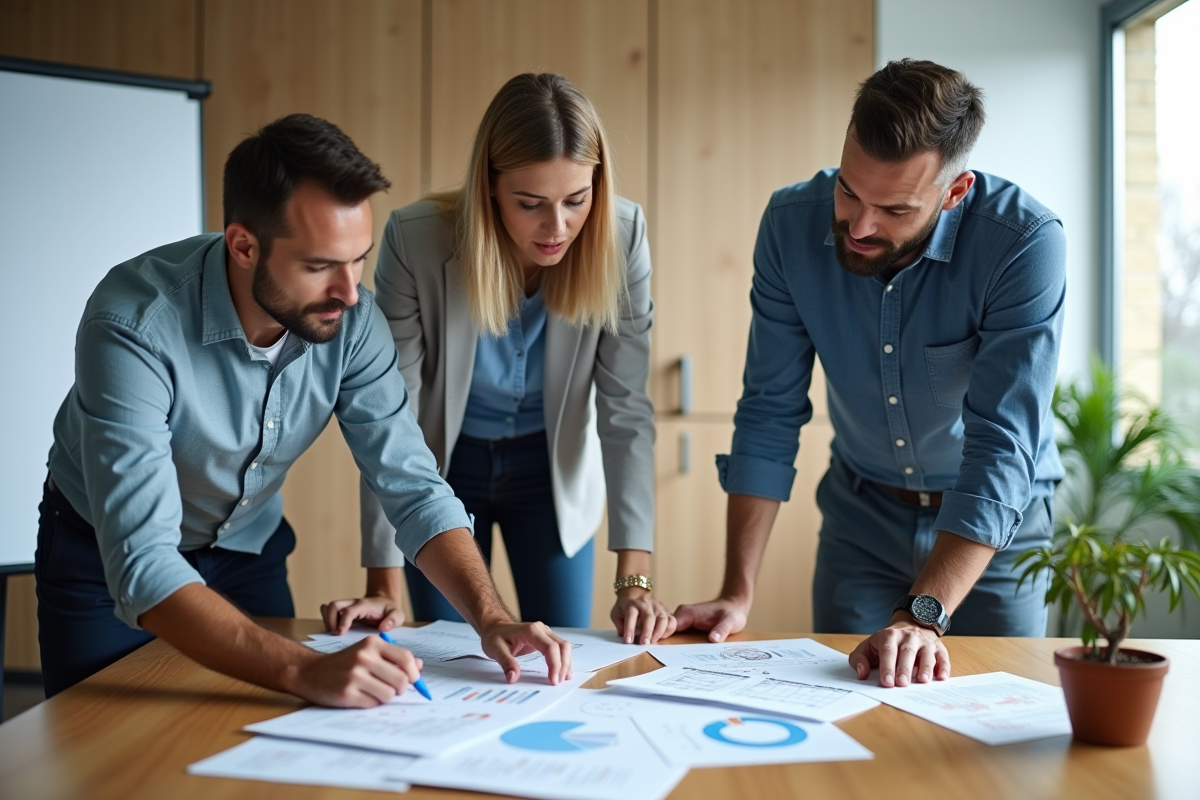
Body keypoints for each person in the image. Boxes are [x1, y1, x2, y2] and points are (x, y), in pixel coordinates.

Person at [35, 113, 572, 705]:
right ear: (244, 246)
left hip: (246, 551)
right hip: (102, 558)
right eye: (319, 267)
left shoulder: (353, 319)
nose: (350, 291)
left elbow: (414, 488)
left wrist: (492, 619)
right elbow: (143, 560)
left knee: (266, 737)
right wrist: (304, 670)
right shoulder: (132, 323)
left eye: (358, 259)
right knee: (96, 741)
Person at [674, 60, 1066, 687]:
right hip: (860, 519)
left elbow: (1002, 442)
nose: (859, 226)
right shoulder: (789, 226)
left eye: (894, 208)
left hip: (995, 533)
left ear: (955, 191)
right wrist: (736, 592)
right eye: (850, 191)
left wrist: (921, 614)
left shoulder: (1023, 243)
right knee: (844, 709)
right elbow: (770, 410)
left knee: (992, 721)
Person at [326, 73, 673, 645]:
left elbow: (626, 408)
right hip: (443, 468)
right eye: (530, 203)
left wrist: (634, 581)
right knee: (451, 647)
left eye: (576, 201)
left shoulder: (623, 233)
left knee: (562, 648)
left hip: (550, 470)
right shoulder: (415, 240)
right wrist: (383, 583)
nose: (557, 227)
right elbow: (389, 413)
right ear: (489, 185)